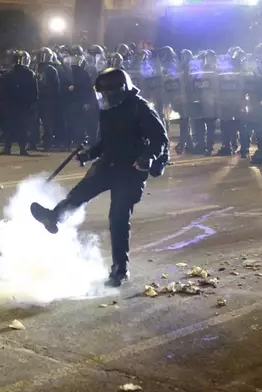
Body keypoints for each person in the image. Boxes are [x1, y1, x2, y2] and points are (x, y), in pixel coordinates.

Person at [30, 68, 169, 287]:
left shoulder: (140, 108)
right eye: (101, 95)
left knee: (118, 219)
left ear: (120, 90)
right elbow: (106, 140)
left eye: (107, 95)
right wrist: (90, 153)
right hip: (109, 163)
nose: (103, 99)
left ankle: (119, 270)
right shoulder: (108, 109)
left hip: (131, 169)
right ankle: (54, 217)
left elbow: (160, 139)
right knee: (79, 193)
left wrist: (147, 158)